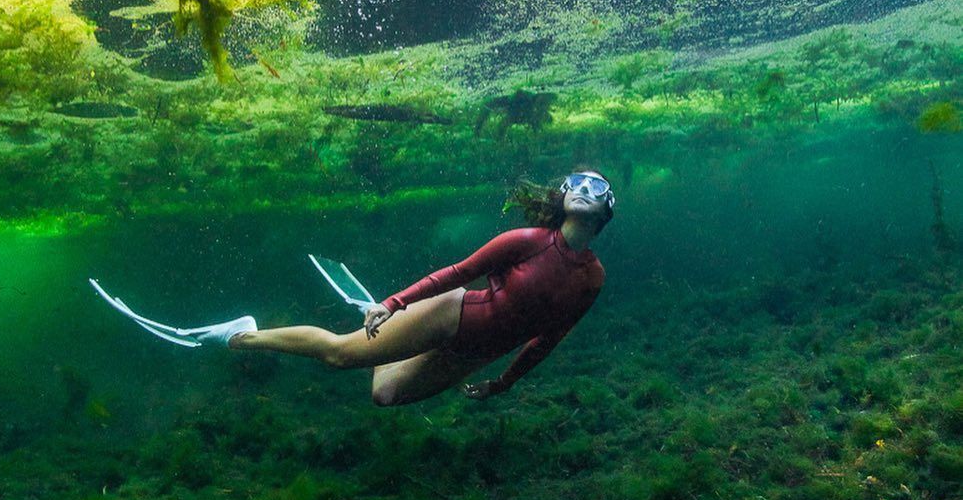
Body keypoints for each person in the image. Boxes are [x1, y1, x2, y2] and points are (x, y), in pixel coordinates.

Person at [90, 170, 614, 406]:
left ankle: (387, 327)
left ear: (607, 211)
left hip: (477, 352)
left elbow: (549, 338)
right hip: (452, 316)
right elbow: (456, 273)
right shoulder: (527, 239)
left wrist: (507, 381)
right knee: (341, 355)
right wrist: (395, 302)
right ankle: (240, 335)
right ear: (562, 197)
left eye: (601, 188)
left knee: (384, 394)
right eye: (580, 183)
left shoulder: (591, 279)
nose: (590, 190)